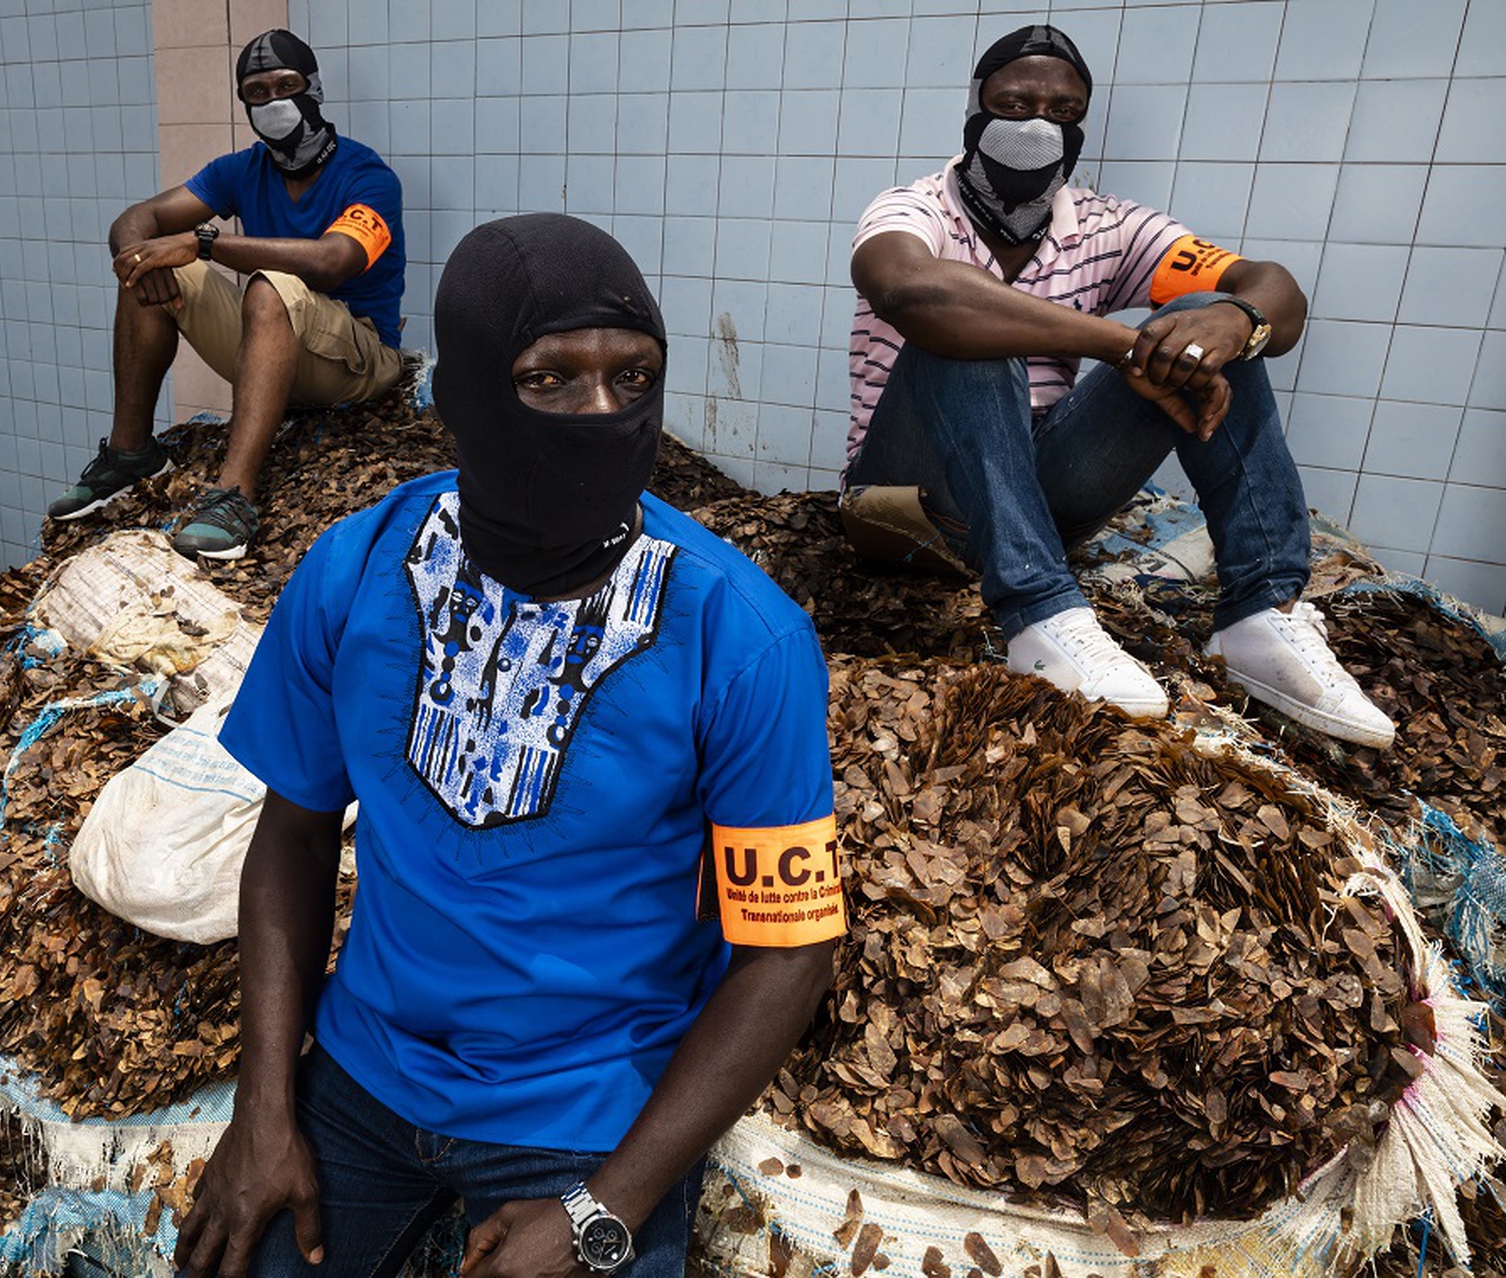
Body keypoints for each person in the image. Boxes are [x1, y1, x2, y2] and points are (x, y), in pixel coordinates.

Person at [173, 215, 843, 1277]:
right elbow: (294, 833)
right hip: (366, 1067)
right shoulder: (357, 570)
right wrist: (265, 1111)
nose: (602, 412)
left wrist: (602, 1210)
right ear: (469, 392)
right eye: (549, 380)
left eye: (634, 378)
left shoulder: (742, 635)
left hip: (590, 1100)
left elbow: (790, 949)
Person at [843, 24, 1394, 749]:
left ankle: (1261, 616)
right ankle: (1042, 619)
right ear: (976, 112)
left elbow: (1273, 291)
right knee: (965, 323)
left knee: (1204, 321)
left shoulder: (1108, 226)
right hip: (908, 503)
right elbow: (904, 287)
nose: (1037, 124)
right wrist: (1124, 345)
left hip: (1037, 498)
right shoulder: (913, 208)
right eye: (1014, 104)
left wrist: (1238, 320)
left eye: (1062, 112)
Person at [48, 29, 406, 561]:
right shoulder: (241, 169)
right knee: (145, 262)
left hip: (362, 358)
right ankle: (131, 453)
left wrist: (204, 241)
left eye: (286, 84)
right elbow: (135, 219)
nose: (273, 101)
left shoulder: (367, 174)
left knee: (269, 286)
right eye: (257, 92)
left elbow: (335, 262)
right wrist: (136, 255)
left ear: (315, 88)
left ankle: (234, 496)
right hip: (281, 342)